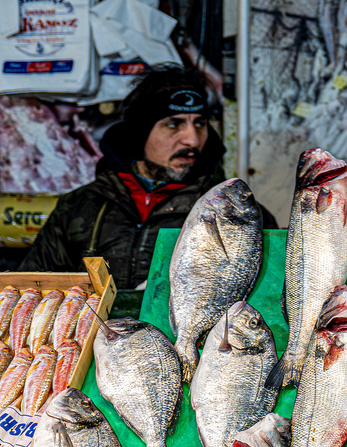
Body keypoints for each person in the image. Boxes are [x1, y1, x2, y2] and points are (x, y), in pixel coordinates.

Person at [21, 65, 273, 296]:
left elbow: (267, 303)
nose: (192, 140)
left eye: (200, 124)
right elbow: (32, 291)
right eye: (173, 124)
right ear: (140, 134)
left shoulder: (239, 214)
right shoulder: (79, 206)